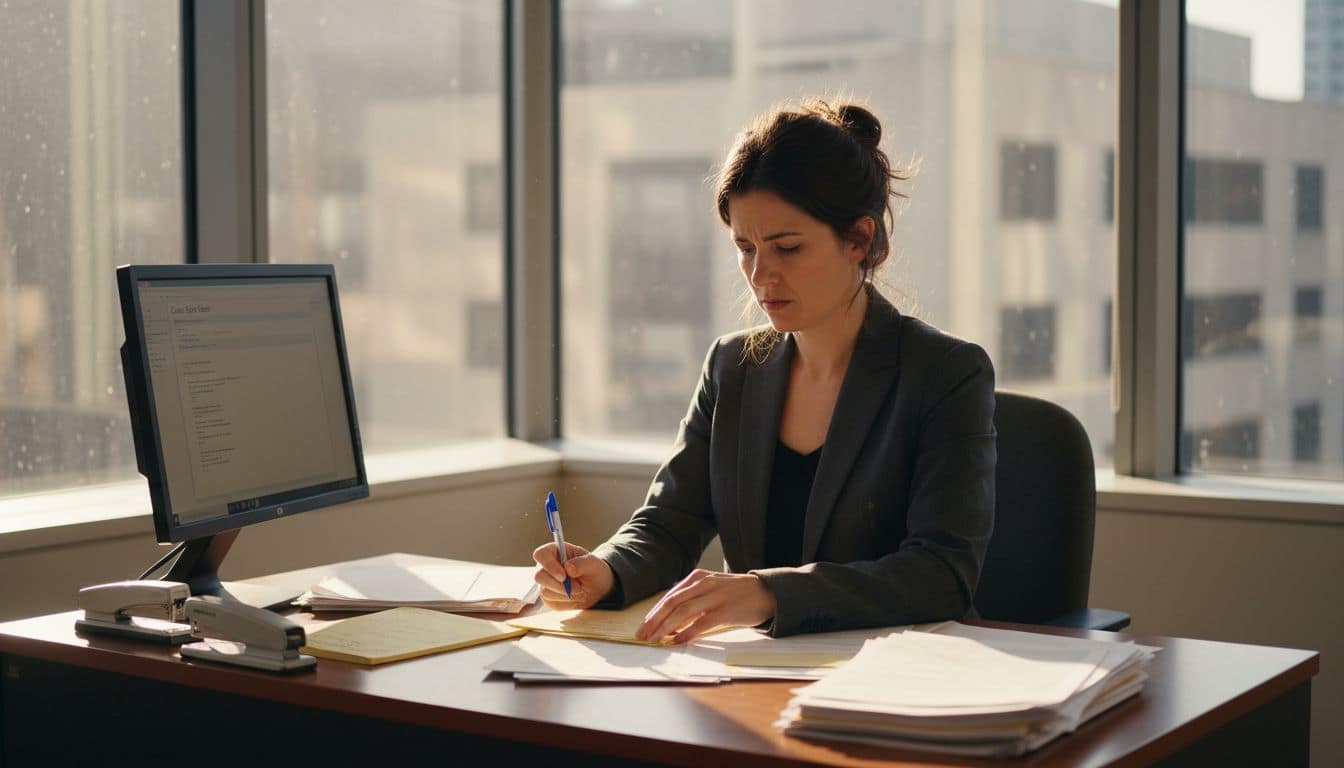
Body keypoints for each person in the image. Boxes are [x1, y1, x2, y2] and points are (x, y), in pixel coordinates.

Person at [533, 98, 996, 643]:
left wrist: (769, 593)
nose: (760, 273)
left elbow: (941, 574)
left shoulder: (946, 373)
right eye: (744, 247)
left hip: (895, 682)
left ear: (860, 240)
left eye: (787, 247)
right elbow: (669, 523)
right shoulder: (732, 367)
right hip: (753, 675)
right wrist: (607, 570)